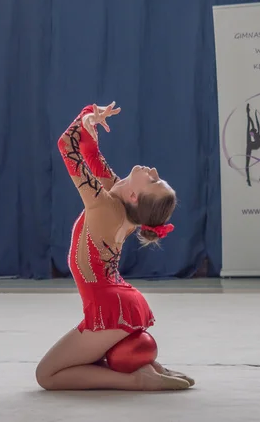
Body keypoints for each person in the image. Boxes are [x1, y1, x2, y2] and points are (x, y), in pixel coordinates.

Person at [35, 102, 195, 391]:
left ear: (135, 195)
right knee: (81, 360)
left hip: (107, 308)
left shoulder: (105, 207)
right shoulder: (116, 196)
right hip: (121, 301)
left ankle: (136, 380)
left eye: (154, 180)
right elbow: (90, 155)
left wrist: (82, 119)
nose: (154, 170)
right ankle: (149, 366)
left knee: (46, 376)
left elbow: (66, 147)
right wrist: (90, 122)